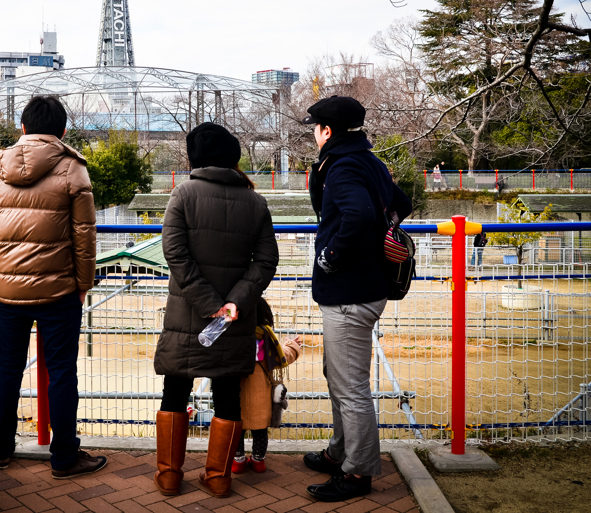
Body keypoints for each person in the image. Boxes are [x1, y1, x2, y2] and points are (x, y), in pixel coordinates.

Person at [0, 95, 105, 479]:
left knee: (8, 367)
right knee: (62, 371)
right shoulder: (72, 169)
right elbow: (85, 236)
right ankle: (64, 457)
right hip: (59, 290)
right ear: (63, 130)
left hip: (9, 291)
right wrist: (83, 284)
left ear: (22, 128)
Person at [153, 122, 279, 499]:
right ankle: (219, 477)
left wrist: (209, 305)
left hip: (187, 313)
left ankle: (170, 475)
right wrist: (233, 304)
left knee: (176, 387)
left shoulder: (183, 194)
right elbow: (266, 261)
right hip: (236, 318)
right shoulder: (255, 201)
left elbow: (175, 254)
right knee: (227, 392)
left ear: (196, 157)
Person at [302, 96, 413, 503]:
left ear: (326, 131)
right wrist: (379, 239)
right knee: (339, 377)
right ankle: (339, 452)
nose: (314, 133)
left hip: (350, 291)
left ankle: (358, 471)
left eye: (315, 127)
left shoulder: (344, 165)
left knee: (350, 387)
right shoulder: (369, 161)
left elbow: (360, 216)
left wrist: (332, 255)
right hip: (365, 287)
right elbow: (401, 205)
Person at [231, 298, 302, 474]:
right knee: (261, 430)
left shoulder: (234, 336)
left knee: (237, 431)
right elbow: (283, 356)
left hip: (236, 394)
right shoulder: (267, 337)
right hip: (261, 395)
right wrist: (293, 345)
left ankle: (238, 461)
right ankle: (258, 461)